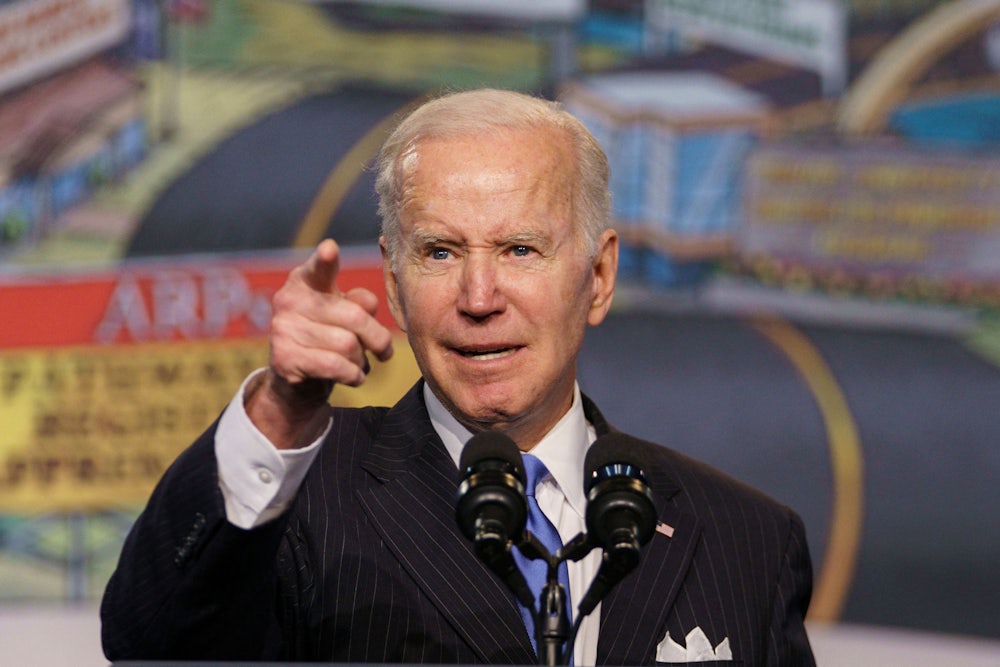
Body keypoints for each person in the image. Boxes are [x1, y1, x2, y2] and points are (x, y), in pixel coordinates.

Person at [100, 88, 815, 665]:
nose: (479, 297)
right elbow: (152, 641)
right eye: (440, 252)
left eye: (520, 249)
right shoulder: (302, 495)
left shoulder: (744, 540)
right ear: (394, 281)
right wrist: (281, 413)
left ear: (598, 277)